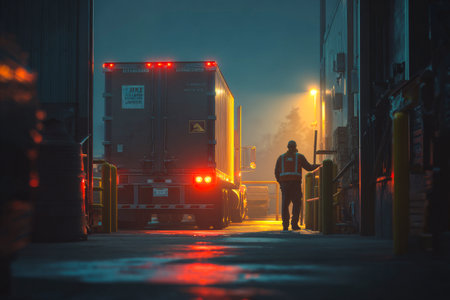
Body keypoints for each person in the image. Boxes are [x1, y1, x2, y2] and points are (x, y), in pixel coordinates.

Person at [275, 140, 320, 231]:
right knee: (296, 204)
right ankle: (294, 224)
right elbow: (309, 168)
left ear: (287, 147)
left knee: (285, 205)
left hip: (285, 185)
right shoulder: (299, 157)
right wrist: (320, 165)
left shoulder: (281, 158)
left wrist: (281, 183)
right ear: (295, 147)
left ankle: (285, 225)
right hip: (295, 185)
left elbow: (276, 172)